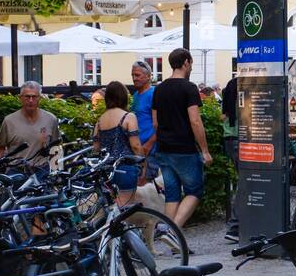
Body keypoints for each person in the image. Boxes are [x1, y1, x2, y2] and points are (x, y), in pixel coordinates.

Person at [151, 48, 212, 231]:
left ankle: (168, 234)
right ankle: (174, 232)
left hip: (163, 148)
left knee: (172, 194)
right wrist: (205, 150)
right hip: (184, 149)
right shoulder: (189, 88)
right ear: (186, 62)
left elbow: (155, 123)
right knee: (194, 191)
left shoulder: (159, 89)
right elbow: (195, 120)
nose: (191, 66)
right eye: (191, 63)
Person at [91, 81, 143, 207]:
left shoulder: (100, 120)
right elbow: (135, 145)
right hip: (125, 168)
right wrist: (143, 162)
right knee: (125, 209)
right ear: (123, 97)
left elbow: (96, 148)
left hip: (106, 171)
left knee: (112, 208)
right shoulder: (128, 117)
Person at [0, 81, 61, 175]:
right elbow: (0, 147)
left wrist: (56, 172)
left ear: (40, 98)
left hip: (41, 171)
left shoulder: (51, 119)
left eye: (34, 97)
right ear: (20, 98)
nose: (31, 100)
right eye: (27, 96)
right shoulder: (9, 121)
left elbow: (55, 147)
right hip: (16, 171)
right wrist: (4, 167)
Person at [221, 73, 239, 242]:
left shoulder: (231, 84)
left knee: (243, 180)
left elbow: (224, 115)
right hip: (240, 138)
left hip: (230, 138)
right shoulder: (243, 85)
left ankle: (236, 225)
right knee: (246, 182)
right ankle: (235, 226)